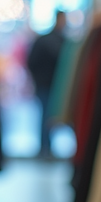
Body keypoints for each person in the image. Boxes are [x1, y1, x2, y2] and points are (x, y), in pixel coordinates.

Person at [27, 11, 67, 157]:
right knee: (47, 115)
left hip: (53, 85)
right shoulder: (51, 40)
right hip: (46, 84)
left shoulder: (62, 39)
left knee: (51, 115)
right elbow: (31, 61)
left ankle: (47, 146)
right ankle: (45, 147)